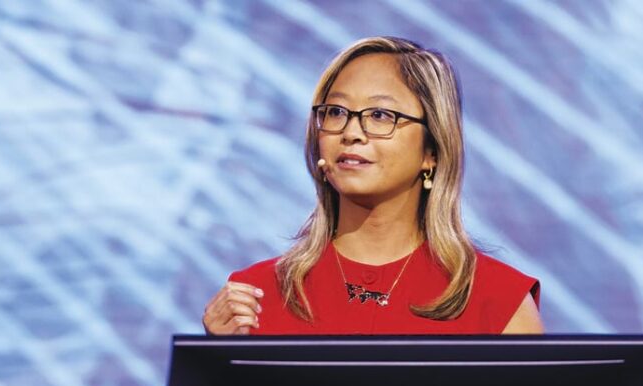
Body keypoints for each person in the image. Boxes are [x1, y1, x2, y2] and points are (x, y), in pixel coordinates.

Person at [202, 36, 543, 336]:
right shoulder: (253, 300)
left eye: (380, 115)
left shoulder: (498, 301)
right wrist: (219, 355)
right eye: (336, 112)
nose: (351, 132)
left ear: (432, 151)